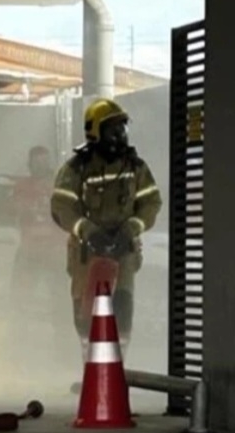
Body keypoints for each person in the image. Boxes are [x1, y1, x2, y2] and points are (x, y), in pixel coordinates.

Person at [50, 98, 163, 358]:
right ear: (96, 132)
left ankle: (116, 366)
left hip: (123, 252)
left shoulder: (135, 167)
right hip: (87, 252)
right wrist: (88, 231)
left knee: (122, 311)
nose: (120, 135)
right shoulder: (76, 168)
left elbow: (151, 203)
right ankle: (91, 366)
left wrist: (131, 228)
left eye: (123, 128)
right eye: (114, 129)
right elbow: (61, 207)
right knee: (86, 315)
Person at [10, 146, 69, 358]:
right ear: (30, 164)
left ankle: (63, 350)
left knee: (60, 303)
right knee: (21, 301)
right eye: (37, 162)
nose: (41, 166)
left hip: (56, 253)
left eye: (44, 162)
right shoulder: (22, 186)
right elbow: (15, 210)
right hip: (30, 252)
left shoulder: (60, 186)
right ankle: (18, 349)